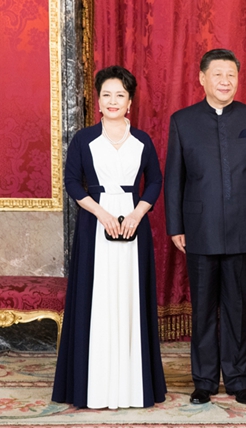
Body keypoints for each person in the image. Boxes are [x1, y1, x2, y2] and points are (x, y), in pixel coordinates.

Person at [164, 49, 246, 406]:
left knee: (238, 309)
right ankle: (203, 381)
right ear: (202, 78)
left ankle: (238, 379)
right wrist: (175, 225)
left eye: (231, 74)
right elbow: (174, 179)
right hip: (199, 229)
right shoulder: (182, 121)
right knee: (203, 310)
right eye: (217, 74)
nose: (225, 81)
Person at [52, 66, 166, 409]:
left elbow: (155, 181)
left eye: (120, 95)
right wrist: (101, 214)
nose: (113, 101)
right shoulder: (84, 139)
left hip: (134, 227)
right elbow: (73, 182)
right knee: (95, 299)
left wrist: (136, 215)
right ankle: (93, 387)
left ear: (130, 102)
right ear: (98, 101)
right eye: (106, 95)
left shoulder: (142, 140)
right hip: (94, 227)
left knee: (132, 298)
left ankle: (133, 387)